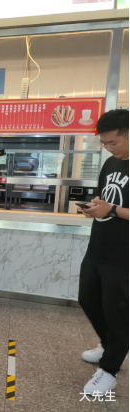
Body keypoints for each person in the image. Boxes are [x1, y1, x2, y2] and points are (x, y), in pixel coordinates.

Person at [78, 109, 129, 396]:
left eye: (113, 143)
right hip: (98, 245)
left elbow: (114, 206)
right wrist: (94, 207)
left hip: (124, 254)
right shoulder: (110, 163)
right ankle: (111, 345)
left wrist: (112, 210)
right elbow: (103, 196)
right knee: (87, 298)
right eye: (104, 143)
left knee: (118, 310)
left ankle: (109, 370)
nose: (108, 148)